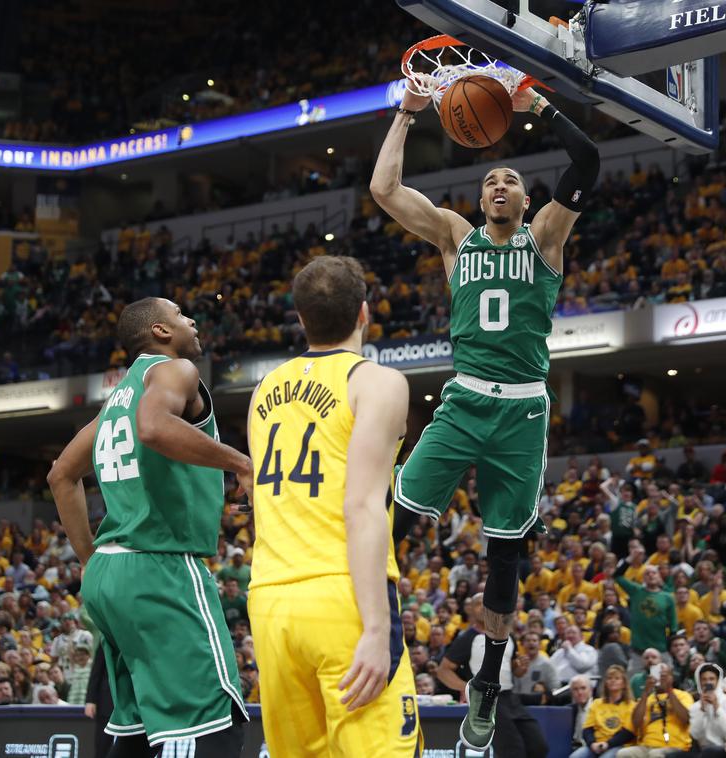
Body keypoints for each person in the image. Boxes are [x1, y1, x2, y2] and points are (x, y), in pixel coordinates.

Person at [375, 67, 599, 751]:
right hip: (466, 397)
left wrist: (537, 106)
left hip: (524, 413)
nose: (498, 187)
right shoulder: (453, 237)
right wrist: (409, 113)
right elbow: (384, 189)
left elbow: (587, 159)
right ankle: (372, 630)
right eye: (489, 182)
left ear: (529, 201)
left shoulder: (546, 239)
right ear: (478, 200)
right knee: (396, 516)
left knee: (506, 560)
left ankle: (488, 680)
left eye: (510, 182)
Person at [49, 297, 250, 755]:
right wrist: (241, 463)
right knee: (212, 722)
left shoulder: (117, 398)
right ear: (161, 331)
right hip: (160, 568)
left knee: (138, 731)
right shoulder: (175, 370)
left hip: (110, 576)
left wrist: (89, 559)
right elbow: (154, 428)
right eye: (181, 315)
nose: (192, 320)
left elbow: (61, 475)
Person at [239, 257, 419, 757]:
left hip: (272, 603)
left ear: (300, 320)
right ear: (365, 313)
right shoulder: (378, 383)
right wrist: (377, 627)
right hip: (342, 596)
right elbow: (361, 505)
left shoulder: (262, 392)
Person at [437, 594, 548, 757]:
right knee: (512, 751)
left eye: (486, 603)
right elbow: (443, 670)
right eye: (477, 604)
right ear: (470, 610)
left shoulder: (507, 635)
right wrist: (468, 688)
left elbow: (511, 670)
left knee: (538, 746)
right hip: (489, 701)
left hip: (511, 698)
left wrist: (519, 668)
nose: (482, 607)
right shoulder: (468, 638)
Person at [620, 662, 695, 758]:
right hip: (646, 746)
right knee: (623, 754)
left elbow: (686, 719)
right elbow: (635, 723)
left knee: (655, 755)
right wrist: (645, 693)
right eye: (657, 674)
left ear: (671, 678)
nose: (660, 678)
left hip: (674, 746)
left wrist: (669, 690)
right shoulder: (647, 698)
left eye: (664, 675)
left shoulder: (683, 695)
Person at [572, 664, 635, 758]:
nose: (613, 680)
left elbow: (627, 733)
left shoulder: (631, 705)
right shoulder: (597, 703)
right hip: (596, 745)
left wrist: (607, 744)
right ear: (606, 682)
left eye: (617, 678)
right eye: (609, 678)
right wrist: (592, 744)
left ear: (623, 683)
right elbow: (587, 729)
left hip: (618, 745)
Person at [688, 662, 726, 752]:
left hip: (725, 749)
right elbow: (695, 735)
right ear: (699, 682)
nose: (708, 682)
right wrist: (702, 710)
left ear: (718, 681)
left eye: (711, 679)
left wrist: (717, 707)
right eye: (704, 679)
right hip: (702, 751)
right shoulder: (695, 707)